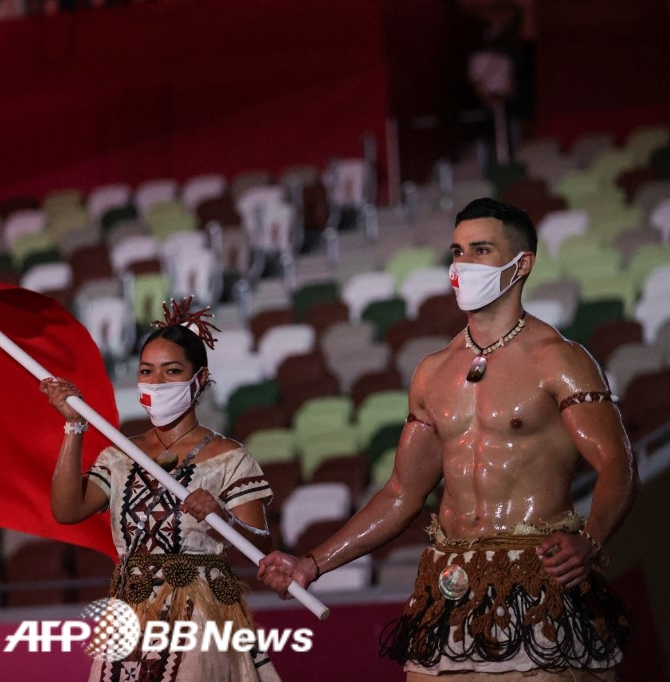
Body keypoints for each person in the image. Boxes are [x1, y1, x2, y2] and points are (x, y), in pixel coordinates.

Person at [257, 198, 636, 680]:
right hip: (448, 589)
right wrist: (312, 564)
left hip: (539, 584)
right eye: (457, 251)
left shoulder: (559, 359)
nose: (463, 264)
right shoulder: (433, 372)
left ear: (522, 264)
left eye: (480, 250)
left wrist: (590, 538)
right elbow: (400, 493)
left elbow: (617, 463)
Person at [41, 297, 281, 682]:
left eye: (171, 371)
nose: (156, 382)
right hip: (128, 616)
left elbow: (262, 548)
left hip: (200, 616)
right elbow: (67, 510)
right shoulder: (120, 455)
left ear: (199, 378)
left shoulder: (228, 456)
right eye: (147, 371)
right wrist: (73, 426)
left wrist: (221, 517)